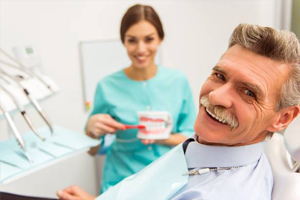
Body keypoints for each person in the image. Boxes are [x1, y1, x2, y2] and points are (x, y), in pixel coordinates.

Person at [57, 24, 300, 200]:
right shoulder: (207, 146)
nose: (215, 96)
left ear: (283, 118)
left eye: (248, 92)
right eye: (219, 75)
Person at [84, 4, 196, 193]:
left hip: (169, 182)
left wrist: (162, 137)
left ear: (160, 38)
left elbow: (193, 138)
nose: (141, 49)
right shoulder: (107, 86)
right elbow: (93, 150)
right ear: (123, 42)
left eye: (149, 39)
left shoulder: (178, 81)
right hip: (121, 184)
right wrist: (91, 131)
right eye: (132, 40)